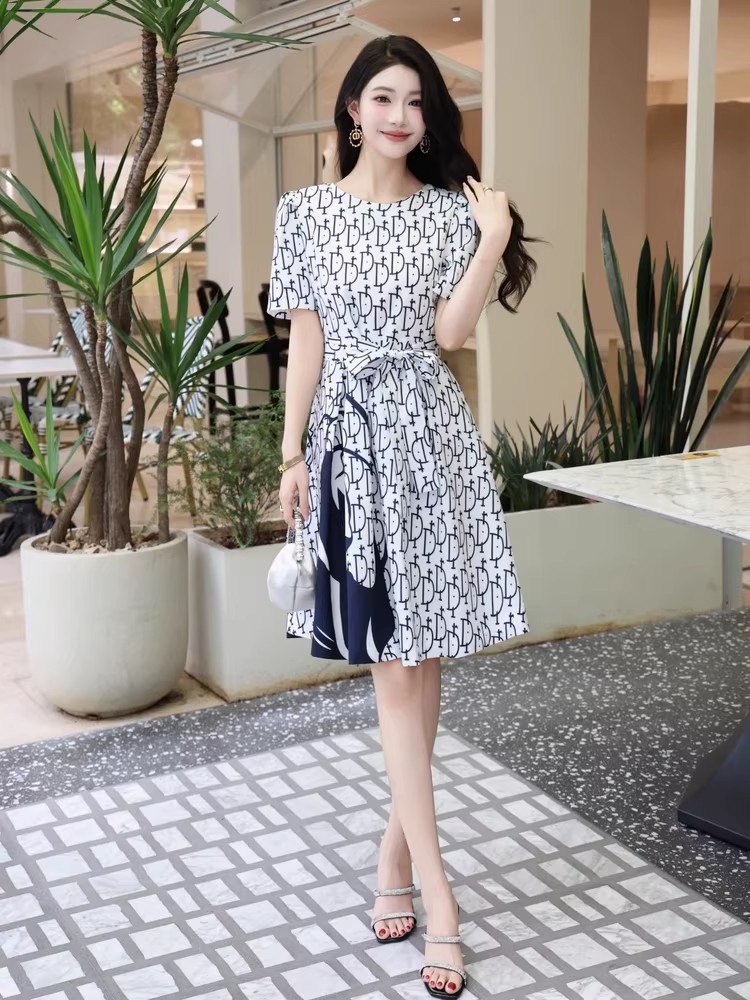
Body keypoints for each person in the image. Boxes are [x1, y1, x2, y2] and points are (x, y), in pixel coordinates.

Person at [267, 34, 537, 999]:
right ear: (352, 108)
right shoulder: (304, 212)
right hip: (348, 444)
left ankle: (393, 858)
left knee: (422, 659)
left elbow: (451, 333)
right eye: (382, 96)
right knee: (392, 662)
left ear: (428, 120)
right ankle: (441, 898)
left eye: (416, 101)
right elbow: (306, 341)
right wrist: (292, 453)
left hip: (432, 440)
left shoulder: (446, 214)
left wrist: (493, 240)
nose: (398, 115)